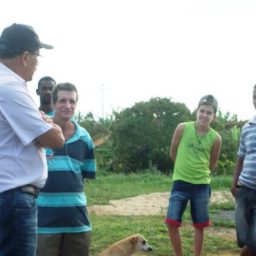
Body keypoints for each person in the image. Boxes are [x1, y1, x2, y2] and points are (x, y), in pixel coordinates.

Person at [0, 23, 65, 256]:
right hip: (14, 197)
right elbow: (55, 139)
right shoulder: (11, 88)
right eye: (37, 57)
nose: (38, 64)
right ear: (26, 57)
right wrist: (51, 124)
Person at [37, 82, 96, 256]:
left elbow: (83, 176)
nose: (67, 106)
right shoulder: (39, 129)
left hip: (77, 222)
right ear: (54, 103)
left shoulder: (85, 138)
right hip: (43, 222)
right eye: (62, 101)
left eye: (72, 101)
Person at [165, 95, 222, 256]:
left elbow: (212, 163)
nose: (204, 115)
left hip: (201, 186)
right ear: (197, 111)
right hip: (180, 183)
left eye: (209, 112)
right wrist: (183, 168)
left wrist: (199, 173)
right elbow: (173, 152)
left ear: (214, 116)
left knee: (200, 225)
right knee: (172, 222)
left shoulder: (216, 138)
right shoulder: (182, 128)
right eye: (202, 111)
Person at [231, 85, 256, 256]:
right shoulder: (247, 128)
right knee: (243, 239)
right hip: (244, 189)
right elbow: (241, 158)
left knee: (253, 243)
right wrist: (234, 183)